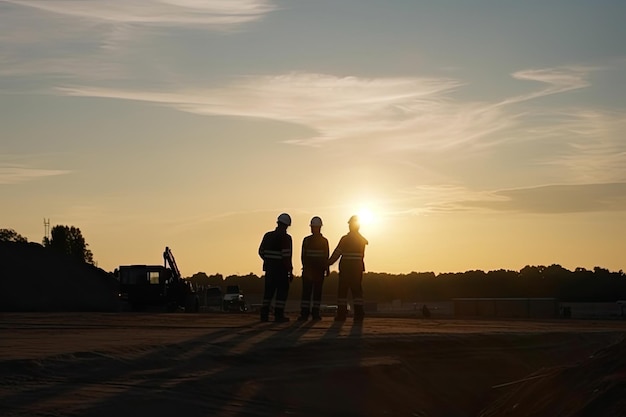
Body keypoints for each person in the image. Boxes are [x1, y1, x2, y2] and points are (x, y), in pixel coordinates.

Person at [327, 215, 368, 322]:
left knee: (342, 294)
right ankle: (359, 315)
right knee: (357, 293)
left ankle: (341, 315)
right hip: (357, 270)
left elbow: (337, 253)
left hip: (346, 270)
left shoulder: (345, 239)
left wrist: (327, 263)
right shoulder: (361, 240)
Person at [258, 213, 293, 322]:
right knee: (281, 293)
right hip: (281, 271)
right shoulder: (286, 238)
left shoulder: (267, 236)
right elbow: (286, 256)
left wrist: (268, 261)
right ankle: (279, 315)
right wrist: (290, 271)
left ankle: (264, 315)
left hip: (269, 270)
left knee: (268, 293)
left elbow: (261, 251)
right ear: (287, 225)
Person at [298, 216, 330, 321]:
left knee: (307, 293)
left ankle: (305, 314)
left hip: (310, 271)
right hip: (317, 272)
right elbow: (326, 257)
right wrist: (327, 269)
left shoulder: (307, 240)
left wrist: (305, 267)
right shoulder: (324, 241)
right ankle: (314, 314)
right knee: (316, 293)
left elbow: (303, 256)